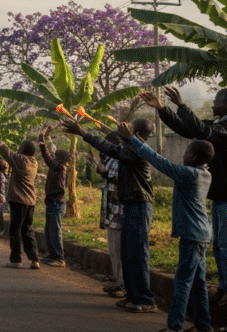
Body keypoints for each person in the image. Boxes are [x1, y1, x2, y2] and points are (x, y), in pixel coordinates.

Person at [141, 86, 227, 306]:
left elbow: (201, 131)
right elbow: (187, 129)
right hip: (220, 191)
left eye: (217, 100)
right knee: (220, 244)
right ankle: (226, 285)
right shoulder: (221, 124)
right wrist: (162, 108)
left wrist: (181, 105)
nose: (213, 103)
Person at [119, 122, 214, 332]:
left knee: (182, 282)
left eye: (187, 152)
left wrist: (132, 140)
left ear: (195, 158)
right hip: (201, 233)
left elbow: (159, 162)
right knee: (198, 283)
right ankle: (204, 325)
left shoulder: (191, 175)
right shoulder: (205, 174)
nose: (184, 154)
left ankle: (174, 326)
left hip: (192, 235)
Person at [63, 116, 156, 313]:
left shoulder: (138, 151)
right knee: (127, 252)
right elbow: (111, 149)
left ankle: (145, 299)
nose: (121, 130)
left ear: (135, 133)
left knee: (138, 253)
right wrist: (84, 133)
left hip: (139, 205)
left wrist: (84, 133)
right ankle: (132, 295)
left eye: (126, 128)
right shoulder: (130, 150)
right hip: (130, 204)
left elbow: (111, 149)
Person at [0, 121, 40, 270]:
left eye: (20, 147)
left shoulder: (20, 160)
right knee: (28, 230)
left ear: (23, 150)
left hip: (18, 200)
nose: (18, 149)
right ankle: (34, 259)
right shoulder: (34, 162)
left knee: (15, 230)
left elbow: (3, 148)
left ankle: (16, 259)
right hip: (31, 201)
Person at [90, 135, 124, 298]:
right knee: (114, 251)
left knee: (118, 251)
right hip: (112, 211)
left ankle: (123, 285)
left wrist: (100, 166)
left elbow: (108, 173)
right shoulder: (112, 159)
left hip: (118, 212)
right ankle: (118, 282)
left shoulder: (117, 160)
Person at [39, 131, 71, 267]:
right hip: (52, 202)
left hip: (56, 203)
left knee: (55, 230)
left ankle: (59, 257)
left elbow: (48, 158)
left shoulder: (59, 167)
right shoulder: (58, 165)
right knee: (49, 230)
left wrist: (41, 143)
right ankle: (53, 255)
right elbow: (50, 156)